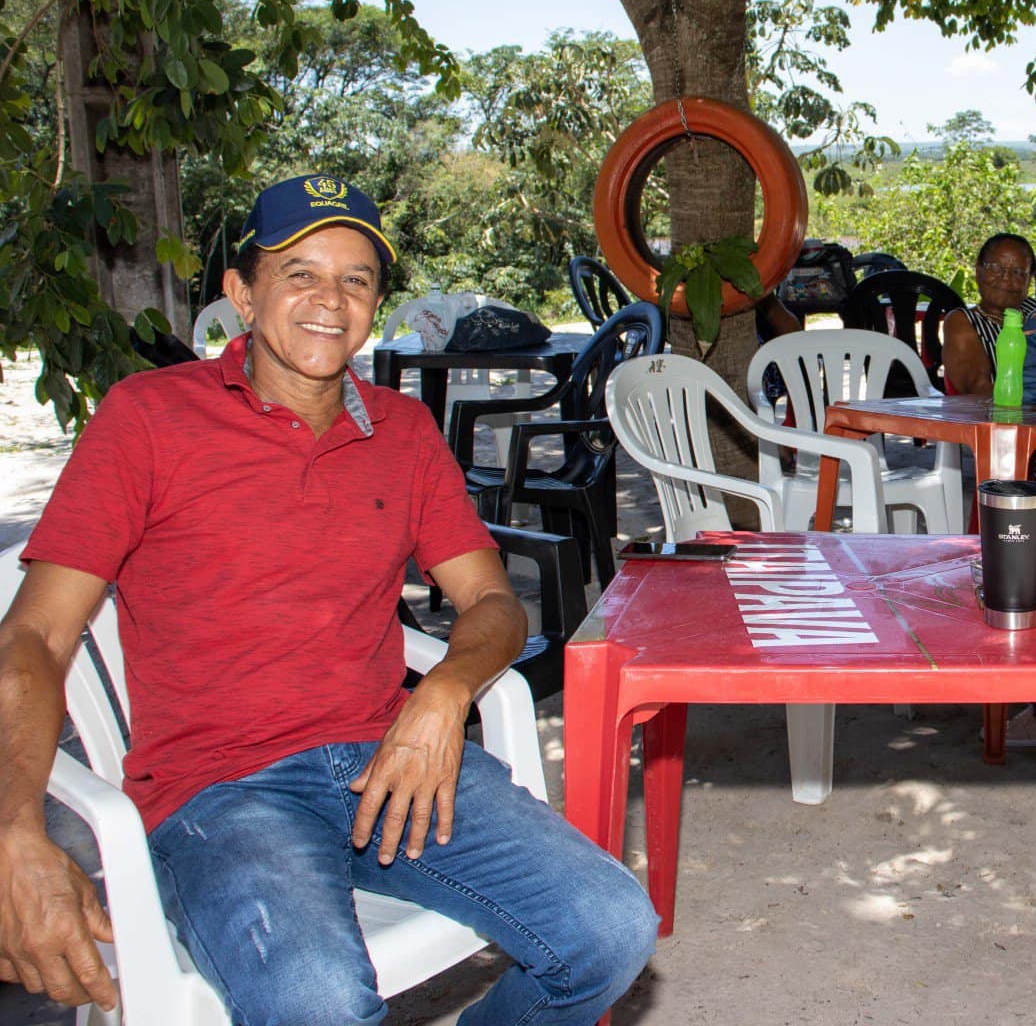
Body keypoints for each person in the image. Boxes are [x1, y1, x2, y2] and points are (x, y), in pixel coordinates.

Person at [0, 175, 657, 1024]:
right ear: (243, 294)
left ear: (376, 304)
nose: (330, 300)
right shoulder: (147, 419)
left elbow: (494, 601)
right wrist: (14, 828)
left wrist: (444, 693)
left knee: (610, 928)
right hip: (222, 790)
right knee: (319, 1000)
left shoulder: (403, 432)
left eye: (356, 279)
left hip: (388, 762)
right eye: (300, 273)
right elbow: (36, 637)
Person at [942, 231, 1036, 396]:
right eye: (995, 268)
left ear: (1029, 278)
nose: (1006, 278)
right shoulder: (962, 322)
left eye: (1018, 272)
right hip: (997, 411)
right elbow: (977, 388)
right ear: (978, 270)